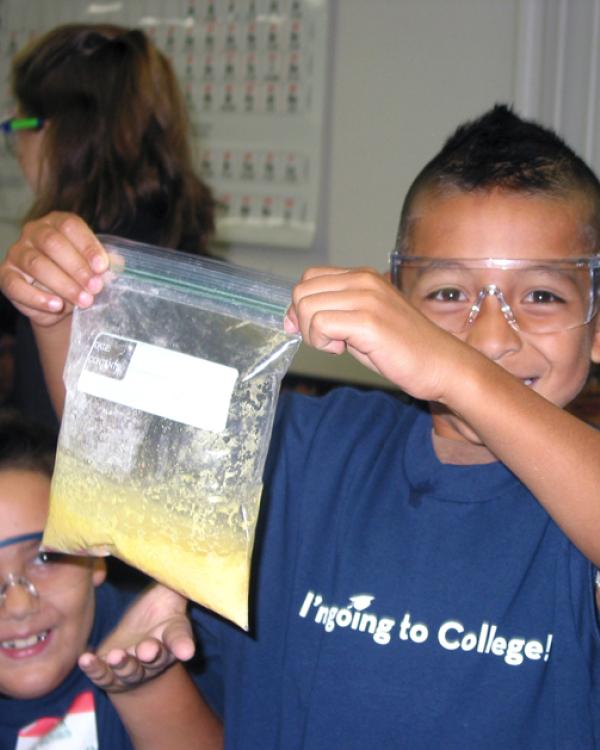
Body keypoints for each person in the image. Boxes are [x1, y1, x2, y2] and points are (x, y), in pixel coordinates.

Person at [3, 103, 600, 748]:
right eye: (448, 294)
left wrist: (454, 369)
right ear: (399, 303)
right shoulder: (310, 448)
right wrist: (60, 308)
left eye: (541, 296)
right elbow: (122, 465)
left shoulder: (574, 504)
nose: (488, 337)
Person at [0, 22, 216, 428]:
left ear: (62, 133)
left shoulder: (75, 269)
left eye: (19, 127)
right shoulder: (178, 244)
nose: (15, 147)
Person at [0, 410, 222, 749]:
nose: (17, 605)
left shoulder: (169, 646)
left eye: (44, 558)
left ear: (96, 560)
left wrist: (148, 688)